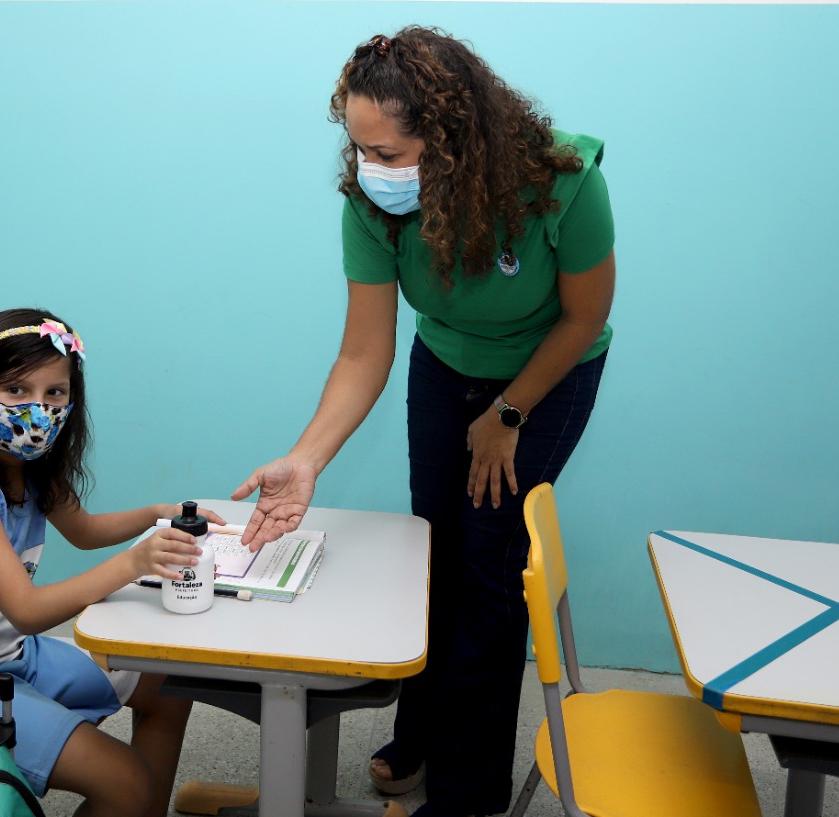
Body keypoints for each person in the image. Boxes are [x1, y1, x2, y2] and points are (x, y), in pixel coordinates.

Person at [231, 26, 615, 817]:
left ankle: (467, 793)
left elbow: (583, 318)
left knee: (488, 566)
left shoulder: (562, 182)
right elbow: (364, 353)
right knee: (431, 548)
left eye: (395, 154)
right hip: (445, 363)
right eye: (363, 150)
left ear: (458, 139)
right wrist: (306, 457)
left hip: (549, 367)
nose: (376, 172)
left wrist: (509, 412)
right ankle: (422, 732)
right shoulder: (372, 206)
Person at [0, 307, 224, 817]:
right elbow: (26, 609)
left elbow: (84, 531)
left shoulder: (29, 461)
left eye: (54, 393)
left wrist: (157, 515)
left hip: (9, 656)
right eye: (16, 391)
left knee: (166, 684)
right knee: (126, 781)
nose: (37, 411)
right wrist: (135, 561)